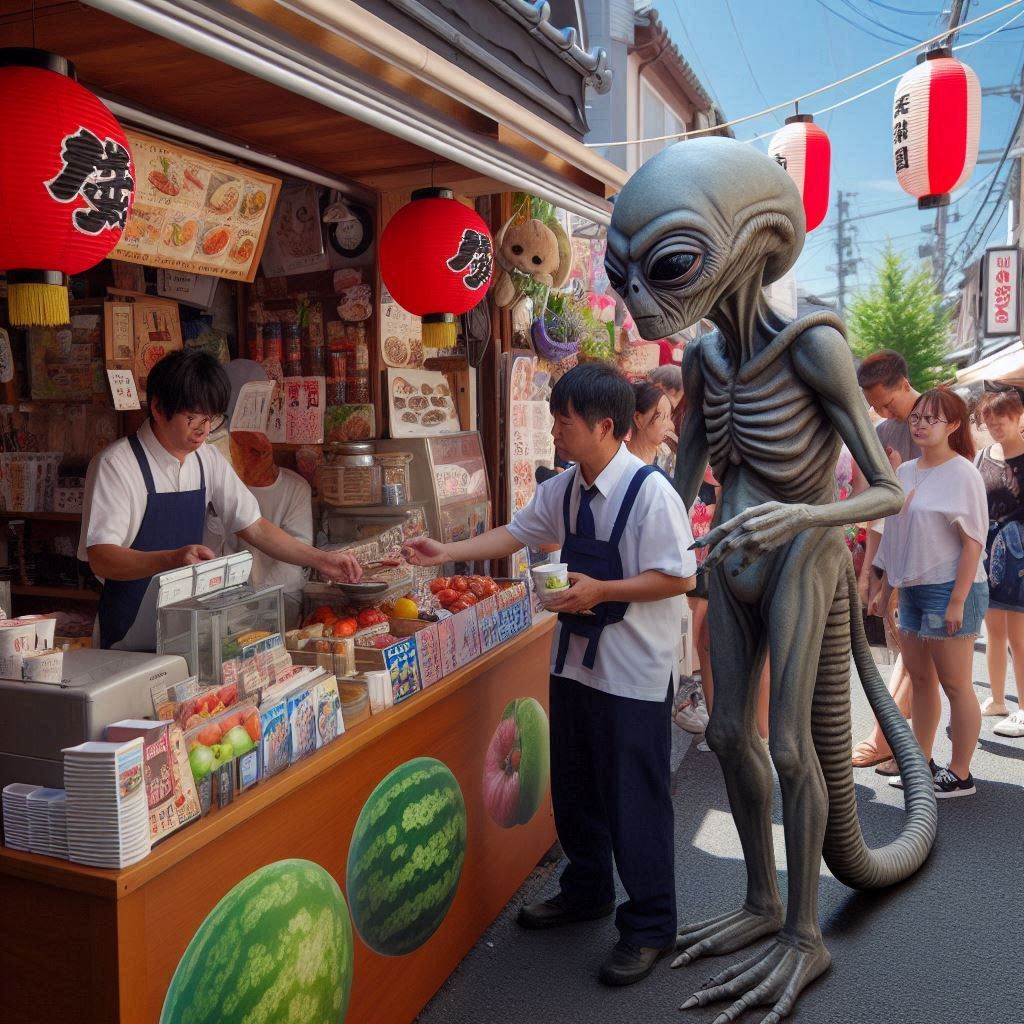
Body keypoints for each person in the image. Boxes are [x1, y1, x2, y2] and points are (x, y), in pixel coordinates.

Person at [404, 363, 696, 986]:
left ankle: (649, 925)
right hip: (572, 669)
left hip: (632, 677)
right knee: (576, 790)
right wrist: (446, 552)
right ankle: (586, 890)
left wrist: (602, 589)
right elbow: (517, 533)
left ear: (605, 426)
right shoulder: (564, 488)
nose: (556, 429)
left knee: (634, 802)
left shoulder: (650, 494)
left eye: (565, 419)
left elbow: (680, 577)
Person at [79, 349, 359, 649]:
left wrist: (323, 560)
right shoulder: (116, 465)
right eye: (191, 417)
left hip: (186, 626)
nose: (203, 429)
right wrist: (170, 559)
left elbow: (256, 527)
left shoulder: (206, 459)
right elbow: (101, 556)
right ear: (159, 409)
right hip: (127, 632)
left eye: (210, 417)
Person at [869, 388, 988, 798]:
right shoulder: (905, 472)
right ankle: (921, 763)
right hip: (915, 589)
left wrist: (957, 600)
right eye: (916, 417)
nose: (919, 424)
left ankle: (961, 773)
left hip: (952, 588)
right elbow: (896, 534)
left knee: (956, 684)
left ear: (953, 425)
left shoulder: (964, 473)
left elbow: (974, 541)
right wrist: (885, 587)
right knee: (921, 681)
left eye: (930, 419)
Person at [850, 350, 921, 773]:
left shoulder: (939, 418)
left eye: (883, 401)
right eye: (873, 405)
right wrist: (871, 571)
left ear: (902, 383)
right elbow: (878, 507)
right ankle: (894, 740)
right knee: (908, 657)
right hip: (895, 556)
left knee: (915, 658)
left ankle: (885, 739)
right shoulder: (883, 431)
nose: (879, 411)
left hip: (932, 559)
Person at [975, 383, 1024, 738]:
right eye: (989, 422)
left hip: (1020, 549)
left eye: (1000, 422)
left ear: (1018, 418)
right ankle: (996, 700)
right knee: (993, 629)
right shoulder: (983, 455)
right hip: (989, 548)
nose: (994, 429)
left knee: (1019, 635)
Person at [625, 380, 673, 469]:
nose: (670, 426)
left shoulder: (668, 456)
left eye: (669, 417)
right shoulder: (621, 460)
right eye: (664, 418)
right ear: (638, 418)